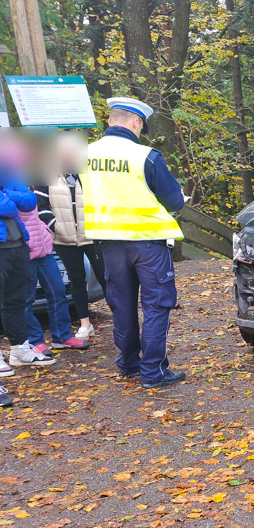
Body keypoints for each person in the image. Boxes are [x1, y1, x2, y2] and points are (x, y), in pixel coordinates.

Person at [82, 97, 187, 389]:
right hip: (148, 244)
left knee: (122, 305)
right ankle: (153, 372)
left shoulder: (84, 155)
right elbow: (174, 200)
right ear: (135, 122)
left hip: (109, 244)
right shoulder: (146, 156)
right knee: (156, 306)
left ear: (110, 120)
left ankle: (129, 364)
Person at [36, 133, 106, 342]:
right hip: (64, 240)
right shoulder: (45, 175)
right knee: (76, 280)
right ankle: (85, 323)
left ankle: (120, 318)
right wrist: (56, 228)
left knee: (106, 277)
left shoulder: (90, 173)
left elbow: (102, 201)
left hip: (92, 237)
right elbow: (41, 208)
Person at [0, 139, 56, 401]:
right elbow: (9, 205)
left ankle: (19, 348)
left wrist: (8, 195)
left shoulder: (7, 170)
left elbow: (28, 199)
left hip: (18, 245)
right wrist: (9, 198)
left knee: (17, 299)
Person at [20, 204, 89, 353]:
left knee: (58, 291)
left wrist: (45, 229)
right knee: (26, 300)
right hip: (24, 251)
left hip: (43, 248)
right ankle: (35, 340)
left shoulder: (25, 186)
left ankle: (61, 336)